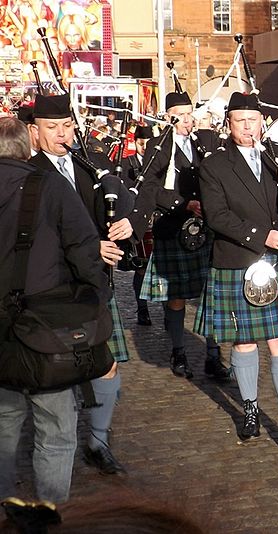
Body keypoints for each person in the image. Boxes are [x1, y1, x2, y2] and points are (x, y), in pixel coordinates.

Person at [195, 92, 278, 447]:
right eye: (239, 120)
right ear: (228, 124)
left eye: (252, 120)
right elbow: (217, 216)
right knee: (244, 342)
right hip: (239, 259)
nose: (247, 127)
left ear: (262, 122)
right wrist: (263, 236)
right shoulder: (214, 164)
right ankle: (251, 409)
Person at [0, 116, 108, 503]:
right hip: (46, 324)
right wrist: (94, 303)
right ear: (27, 146)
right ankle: (48, 511)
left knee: (4, 422)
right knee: (57, 427)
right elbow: (85, 250)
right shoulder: (51, 186)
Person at [29, 94, 136, 476]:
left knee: (105, 364)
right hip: (53, 286)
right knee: (60, 369)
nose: (62, 134)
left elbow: (123, 198)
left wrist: (128, 223)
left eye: (67, 126)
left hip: (94, 284)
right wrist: (92, 246)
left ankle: (99, 442)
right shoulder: (29, 172)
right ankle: (58, 444)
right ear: (34, 132)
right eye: (52, 128)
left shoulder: (87, 164)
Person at [135, 91, 229, 381]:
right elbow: (149, 187)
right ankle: (179, 351)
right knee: (176, 297)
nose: (188, 120)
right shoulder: (158, 146)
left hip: (206, 227)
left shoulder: (206, 141)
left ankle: (214, 355)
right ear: (168, 117)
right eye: (181, 114)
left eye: (190, 113)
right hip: (174, 226)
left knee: (211, 294)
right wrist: (182, 203)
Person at [121, 124, 153, 326]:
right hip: (137, 222)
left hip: (158, 222)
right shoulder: (127, 163)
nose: (144, 148)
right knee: (140, 267)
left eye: (148, 144)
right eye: (141, 144)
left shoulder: (161, 163)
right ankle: (142, 309)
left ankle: (169, 312)